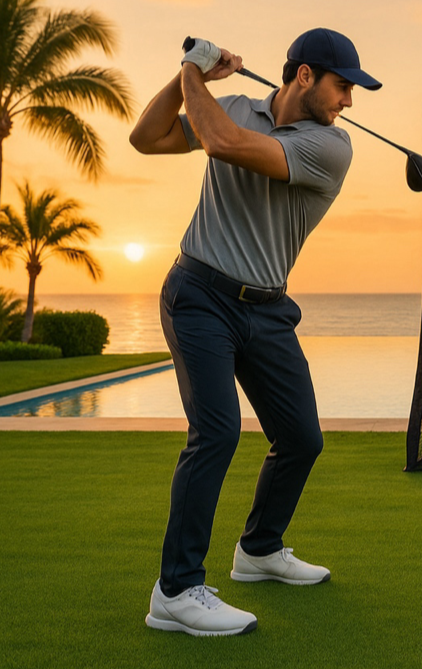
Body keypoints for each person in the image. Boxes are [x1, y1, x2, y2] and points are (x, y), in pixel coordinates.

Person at [129, 28, 381, 637]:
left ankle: (260, 550)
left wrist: (195, 71)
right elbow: (146, 138)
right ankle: (177, 589)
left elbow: (222, 141)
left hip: (267, 309)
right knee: (216, 431)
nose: (349, 99)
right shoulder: (234, 104)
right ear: (305, 77)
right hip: (198, 296)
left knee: (301, 439)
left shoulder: (330, 146)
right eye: (343, 85)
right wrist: (188, 75)